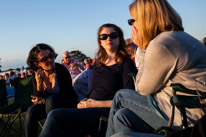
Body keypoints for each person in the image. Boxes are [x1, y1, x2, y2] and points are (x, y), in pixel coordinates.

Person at [106, 0, 206, 136]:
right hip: (190, 109)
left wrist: (140, 46)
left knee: (120, 96)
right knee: (122, 116)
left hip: (184, 117)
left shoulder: (162, 44)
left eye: (133, 20)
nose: (132, 25)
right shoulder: (180, 37)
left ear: (145, 19)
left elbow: (142, 89)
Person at [38, 23, 137, 137]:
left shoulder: (126, 63)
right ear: (100, 41)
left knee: (55, 116)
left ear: (119, 38)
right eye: (103, 37)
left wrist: (95, 104)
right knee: (62, 130)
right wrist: (86, 100)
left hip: (107, 111)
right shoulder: (99, 63)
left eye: (113, 35)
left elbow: (128, 99)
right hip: (90, 106)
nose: (108, 39)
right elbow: (94, 89)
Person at [25, 43, 77, 137]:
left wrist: (44, 101)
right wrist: (39, 85)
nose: (50, 60)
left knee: (51, 100)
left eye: (51, 56)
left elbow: (68, 95)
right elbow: (37, 99)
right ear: (37, 63)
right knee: (31, 112)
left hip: (68, 103)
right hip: (48, 105)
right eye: (44, 59)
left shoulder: (61, 70)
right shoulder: (36, 74)